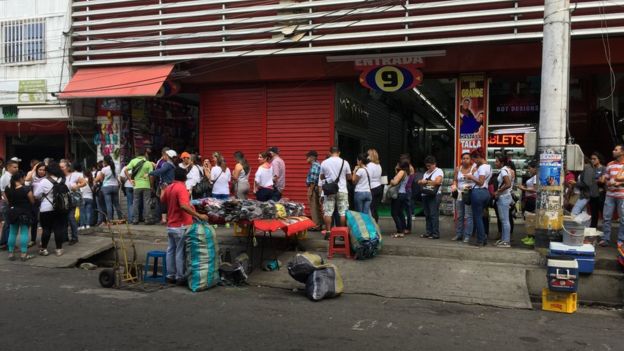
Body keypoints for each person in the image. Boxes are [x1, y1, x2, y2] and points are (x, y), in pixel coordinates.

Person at [161, 167, 208, 285]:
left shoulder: (170, 187)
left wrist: (163, 189)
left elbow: (162, 199)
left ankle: (170, 275)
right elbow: (183, 205)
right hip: (180, 225)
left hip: (171, 224)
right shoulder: (181, 188)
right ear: (185, 178)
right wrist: (198, 215)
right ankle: (180, 277)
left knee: (171, 250)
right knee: (179, 251)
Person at [34, 162, 67, 256]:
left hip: (46, 208)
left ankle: (44, 249)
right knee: (58, 229)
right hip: (60, 208)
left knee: (46, 229)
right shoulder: (63, 180)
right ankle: (59, 249)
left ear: (48, 171)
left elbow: (36, 194)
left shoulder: (44, 181)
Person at [3, 171, 35, 261]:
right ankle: (23, 254)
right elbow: (32, 201)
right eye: (24, 177)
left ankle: (10, 254)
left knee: (12, 233)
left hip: (13, 213)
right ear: (21, 178)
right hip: (24, 213)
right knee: (24, 233)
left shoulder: (7, 188)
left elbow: (8, 201)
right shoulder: (26, 189)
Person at [465, 149, 492, 247]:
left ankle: (480, 239)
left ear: (479, 157)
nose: (474, 162)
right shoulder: (488, 166)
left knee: (477, 218)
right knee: (481, 216)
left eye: (474, 159)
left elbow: (480, 182)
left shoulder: (482, 168)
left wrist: (471, 177)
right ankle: (483, 237)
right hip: (485, 192)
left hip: (478, 193)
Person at [320, 146, 352, 231]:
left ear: (330, 153)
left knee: (328, 212)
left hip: (329, 190)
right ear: (339, 152)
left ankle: (328, 232)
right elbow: (349, 177)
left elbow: (321, 177)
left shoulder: (324, 162)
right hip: (342, 190)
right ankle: (342, 232)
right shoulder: (345, 162)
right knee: (342, 212)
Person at [599, 144, 624, 247]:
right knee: (606, 218)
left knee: (623, 219)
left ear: (622, 152)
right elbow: (606, 179)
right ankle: (606, 239)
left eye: (616, 150)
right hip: (610, 195)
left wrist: (619, 183)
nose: (613, 151)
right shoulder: (610, 164)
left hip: (622, 196)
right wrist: (607, 183)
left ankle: (621, 241)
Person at [126, 147, 155, 225]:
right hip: (146, 185)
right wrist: (151, 186)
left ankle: (135, 219)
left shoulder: (133, 161)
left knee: (135, 202)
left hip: (136, 185)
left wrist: (130, 179)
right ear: (145, 153)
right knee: (147, 202)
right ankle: (147, 219)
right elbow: (151, 176)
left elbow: (126, 170)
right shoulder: (148, 163)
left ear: (137, 154)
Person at [60, 160, 87, 245]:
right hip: (61, 200)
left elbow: (84, 182)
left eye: (62, 167)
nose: (60, 169)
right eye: (59, 167)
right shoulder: (59, 177)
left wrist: (77, 186)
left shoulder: (74, 175)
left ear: (68, 167)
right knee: (63, 219)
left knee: (71, 218)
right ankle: (65, 237)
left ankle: (74, 237)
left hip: (71, 200)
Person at [451, 152, 475, 242]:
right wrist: (454, 186)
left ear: (470, 159)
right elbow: (455, 180)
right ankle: (459, 234)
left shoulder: (474, 168)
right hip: (459, 194)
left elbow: (476, 181)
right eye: (463, 158)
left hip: (469, 193)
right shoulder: (458, 168)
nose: (465, 160)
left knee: (468, 215)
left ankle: (467, 236)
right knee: (460, 215)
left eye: (467, 158)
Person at [418, 156, 444, 239]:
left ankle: (435, 233)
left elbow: (438, 182)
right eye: (427, 166)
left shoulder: (438, 171)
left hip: (434, 195)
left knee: (433, 214)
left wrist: (426, 182)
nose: (428, 167)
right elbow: (421, 182)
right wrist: (420, 182)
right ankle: (428, 232)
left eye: (430, 165)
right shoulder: (426, 173)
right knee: (427, 214)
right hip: (425, 194)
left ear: (434, 164)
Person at [150, 149, 177, 224]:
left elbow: (161, 171)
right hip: (170, 185)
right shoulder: (172, 164)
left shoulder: (167, 164)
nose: (163, 156)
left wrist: (150, 173)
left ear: (168, 156)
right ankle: (169, 218)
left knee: (163, 202)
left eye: (165, 155)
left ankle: (165, 219)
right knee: (169, 202)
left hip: (165, 185)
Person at [95, 155, 124, 224]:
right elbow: (117, 177)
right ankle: (120, 218)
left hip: (107, 187)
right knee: (116, 204)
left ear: (105, 161)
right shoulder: (116, 168)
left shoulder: (104, 169)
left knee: (109, 204)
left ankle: (110, 219)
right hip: (115, 187)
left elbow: (100, 179)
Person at [493, 156, 514, 248]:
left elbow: (508, 184)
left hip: (503, 197)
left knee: (505, 220)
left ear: (502, 163)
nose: (495, 163)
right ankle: (504, 239)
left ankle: (506, 241)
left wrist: (498, 191)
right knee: (504, 220)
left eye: (497, 161)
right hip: (506, 196)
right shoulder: (508, 170)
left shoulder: (503, 171)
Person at [0, 159, 20, 250]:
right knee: (8, 224)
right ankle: (7, 244)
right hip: (7, 203)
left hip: (9, 202)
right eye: (14, 167)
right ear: (8, 167)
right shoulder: (6, 177)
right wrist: (9, 202)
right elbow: (2, 191)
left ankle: (4, 242)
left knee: (7, 224)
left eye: (17, 167)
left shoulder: (11, 176)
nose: (17, 169)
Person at [25, 162, 46, 246]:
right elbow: (26, 180)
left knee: (44, 222)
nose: (42, 171)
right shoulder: (33, 177)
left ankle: (43, 240)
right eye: (40, 169)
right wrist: (34, 169)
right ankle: (33, 240)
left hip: (44, 202)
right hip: (34, 202)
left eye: (43, 170)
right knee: (34, 222)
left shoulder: (47, 178)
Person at [390, 160, 410, 238]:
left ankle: (400, 231)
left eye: (397, 164)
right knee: (400, 212)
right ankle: (403, 228)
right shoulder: (406, 172)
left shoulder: (401, 172)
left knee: (394, 213)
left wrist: (391, 181)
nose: (396, 165)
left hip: (398, 194)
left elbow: (395, 182)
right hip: (403, 193)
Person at [305, 150, 322, 230]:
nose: (306, 158)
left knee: (314, 207)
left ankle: (316, 225)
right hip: (316, 188)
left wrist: (310, 191)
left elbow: (313, 180)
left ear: (312, 157)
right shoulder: (317, 165)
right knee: (317, 207)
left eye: (308, 157)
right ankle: (319, 224)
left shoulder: (315, 165)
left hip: (314, 188)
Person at [589, 152, 606, 228]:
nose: (592, 160)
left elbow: (602, 181)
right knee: (594, 215)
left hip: (601, 194)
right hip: (592, 195)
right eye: (591, 159)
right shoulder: (590, 169)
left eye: (594, 159)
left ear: (599, 159)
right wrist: (596, 179)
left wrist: (594, 180)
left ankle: (605, 235)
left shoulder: (603, 168)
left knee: (604, 214)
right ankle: (592, 234)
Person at [367, 149, 383, 222]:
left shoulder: (369, 165)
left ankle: (373, 225)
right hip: (379, 187)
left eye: (368, 155)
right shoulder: (378, 165)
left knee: (371, 207)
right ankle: (376, 223)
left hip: (372, 187)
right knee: (375, 207)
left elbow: (369, 177)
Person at [79, 166, 95, 230]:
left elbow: (80, 189)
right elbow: (93, 189)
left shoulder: (83, 180)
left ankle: (83, 225)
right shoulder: (92, 180)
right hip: (90, 198)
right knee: (88, 212)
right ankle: (88, 225)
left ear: (84, 174)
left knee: (82, 212)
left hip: (83, 197)